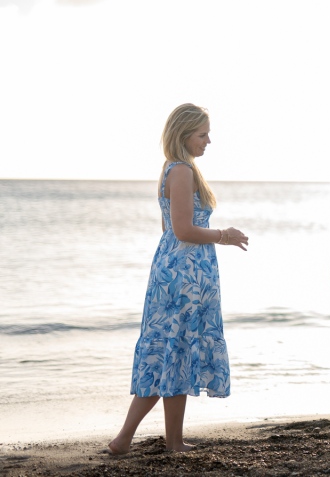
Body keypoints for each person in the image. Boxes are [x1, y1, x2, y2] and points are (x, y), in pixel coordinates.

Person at [109, 103, 249, 454]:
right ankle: (124, 438)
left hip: (175, 271)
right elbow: (184, 229)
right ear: (184, 134)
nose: (208, 141)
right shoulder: (182, 171)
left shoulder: (173, 169)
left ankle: (170, 442)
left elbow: (168, 230)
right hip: (184, 277)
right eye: (203, 134)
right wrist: (224, 236)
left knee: (174, 354)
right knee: (170, 353)